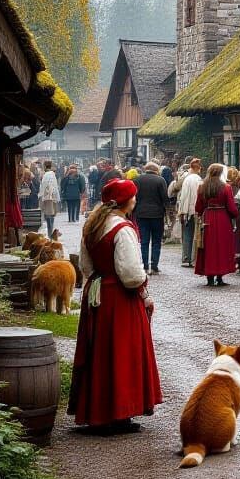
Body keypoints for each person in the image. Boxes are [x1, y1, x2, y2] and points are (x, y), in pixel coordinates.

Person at [68, 177, 162, 434]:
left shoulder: (93, 225)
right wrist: (143, 285)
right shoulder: (123, 228)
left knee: (98, 351)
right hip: (119, 297)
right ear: (126, 201)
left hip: (97, 291)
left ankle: (98, 410)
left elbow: (86, 267)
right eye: (133, 196)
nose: (135, 200)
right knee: (122, 352)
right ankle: (119, 412)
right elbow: (131, 274)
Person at [194, 163, 238, 286]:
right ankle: (219, 276)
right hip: (222, 218)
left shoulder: (202, 187)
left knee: (208, 247)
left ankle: (209, 276)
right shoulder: (226, 187)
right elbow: (231, 207)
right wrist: (235, 214)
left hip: (208, 218)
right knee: (221, 247)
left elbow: (198, 207)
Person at [134, 162, 169, 274]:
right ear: (156, 170)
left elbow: (134, 197)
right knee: (156, 241)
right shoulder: (160, 180)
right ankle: (154, 266)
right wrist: (167, 209)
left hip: (141, 213)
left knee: (144, 241)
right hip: (157, 214)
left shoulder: (137, 180)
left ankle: (144, 266)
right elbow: (165, 198)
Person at [176, 158, 203, 267]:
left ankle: (186, 257)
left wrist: (182, 211)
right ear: (198, 168)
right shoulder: (198, 179)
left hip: (187, 210)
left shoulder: (187, 179)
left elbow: (184, 197)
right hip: (195, 210)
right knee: (196, 234)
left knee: (188, 234)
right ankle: (193, 258)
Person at [38, 161, 61, 237]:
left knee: (48, 215)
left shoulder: (47, 174)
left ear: (45, 166)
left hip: (47, 198)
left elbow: (44, 186)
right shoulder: (52, 174)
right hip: (52, 197)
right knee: (51, 215)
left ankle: (50, 233)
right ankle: (50, 233)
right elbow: (55, 186)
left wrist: (40, 195)